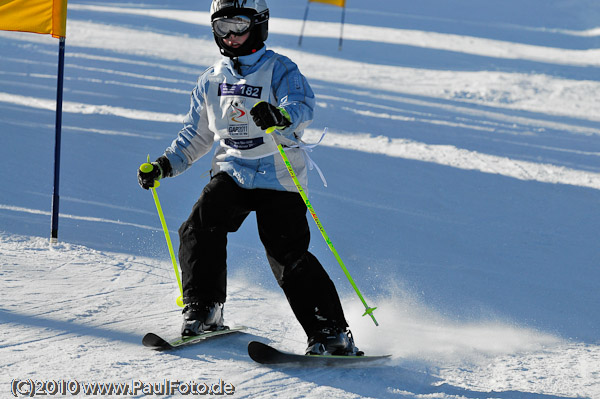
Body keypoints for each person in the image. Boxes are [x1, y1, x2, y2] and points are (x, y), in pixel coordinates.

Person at [137, 0, 360, 356]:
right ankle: (204, 307)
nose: (231, 36)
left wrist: (280, 115)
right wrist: (165, 164)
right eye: (222, 27)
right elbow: (196, 136)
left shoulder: (279, 68)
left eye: (238, 26)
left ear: (258, 25)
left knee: (286, 252)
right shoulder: (211, 79)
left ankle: (331, 332)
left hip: (278, 172)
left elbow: (302, 106)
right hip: (234, 170)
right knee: (198, 226)